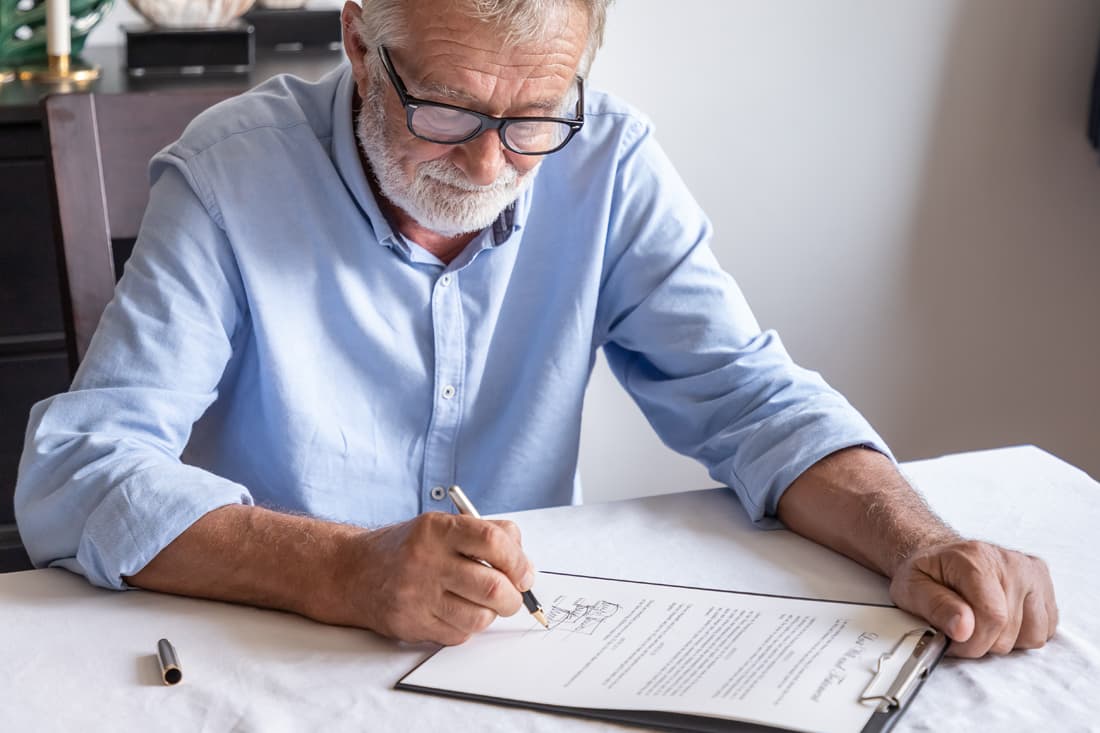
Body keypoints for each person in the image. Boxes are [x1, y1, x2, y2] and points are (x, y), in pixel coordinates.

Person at [16, 0, 1056, 656]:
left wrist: (917, 542)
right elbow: (77, 471)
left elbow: (752, 401)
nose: (487, 166)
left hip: (515, 659)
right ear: (357, 43)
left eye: (533, 120)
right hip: (264, 652)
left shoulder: (607, 160)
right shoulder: (229, 174)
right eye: (450, 111)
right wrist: (341, 569)